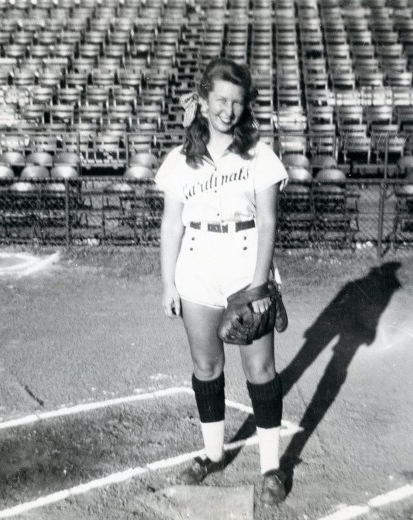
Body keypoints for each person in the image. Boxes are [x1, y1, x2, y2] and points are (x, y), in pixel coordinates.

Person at [155, 58, 289, 505]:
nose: (228, 110)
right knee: (207, 367)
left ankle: (271, 468)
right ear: (203, 102)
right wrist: (169, 283)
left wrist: (257, 287)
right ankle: (212, 454)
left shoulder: (258, 154)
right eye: (220, 100)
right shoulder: (180, 160)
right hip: (197, 267)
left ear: (244, 106)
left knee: (260, 369)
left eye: (236, 102)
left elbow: (268, 221)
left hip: (244, 264)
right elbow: (172, 225)